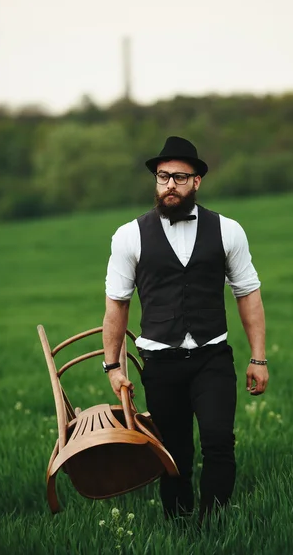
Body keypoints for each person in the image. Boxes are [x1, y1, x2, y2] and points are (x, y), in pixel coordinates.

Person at [103, 136, 269, 524]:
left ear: (197, 182)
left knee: (218, 441)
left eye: (180, 176)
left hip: (212, 356)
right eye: (163, 177)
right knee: (173, 451)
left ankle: (214, 524)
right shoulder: (129, 235)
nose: (170, 184)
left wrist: (258, 357)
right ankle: (180, 525)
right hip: (161, 363)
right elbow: (117, 304)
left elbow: (248, 294)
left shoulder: (227, 230)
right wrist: (114, 368)